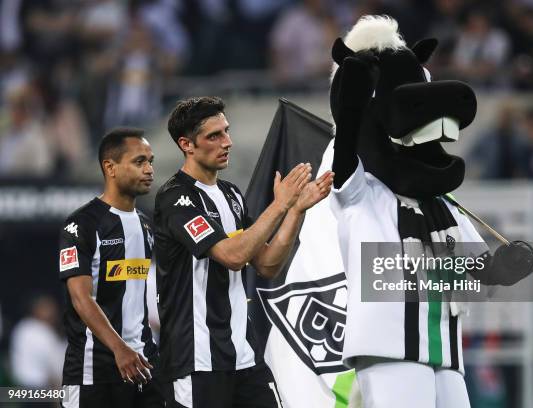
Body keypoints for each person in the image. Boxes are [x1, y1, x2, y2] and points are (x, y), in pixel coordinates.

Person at [154, 96, 333, 408]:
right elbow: (233, 256)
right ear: (187, 144)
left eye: (226, 131)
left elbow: (266, 265)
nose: (228, 142)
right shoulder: (176, 199)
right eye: (215, 136)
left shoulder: (232, 194)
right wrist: (280, 204)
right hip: (198, 361)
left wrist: (295, 212)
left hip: (244, 356)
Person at [58, 128, 164, 407]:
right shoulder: (81, 224)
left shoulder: (145, 224)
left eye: (150, 161)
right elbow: (81, 298)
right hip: (94, 372)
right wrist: (120, 348)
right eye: (139, 162)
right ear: (110, 167)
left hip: (143, 367)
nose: (149, 169)